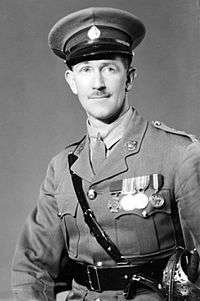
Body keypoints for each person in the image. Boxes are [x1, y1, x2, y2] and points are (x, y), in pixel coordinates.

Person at [11, 7, 200, 301]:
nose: (97, 83)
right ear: (72, 82)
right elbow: (31, 267)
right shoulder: (62, 168)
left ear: (129, 78)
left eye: (109, 68)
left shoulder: (179, 153)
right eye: (86, 70)